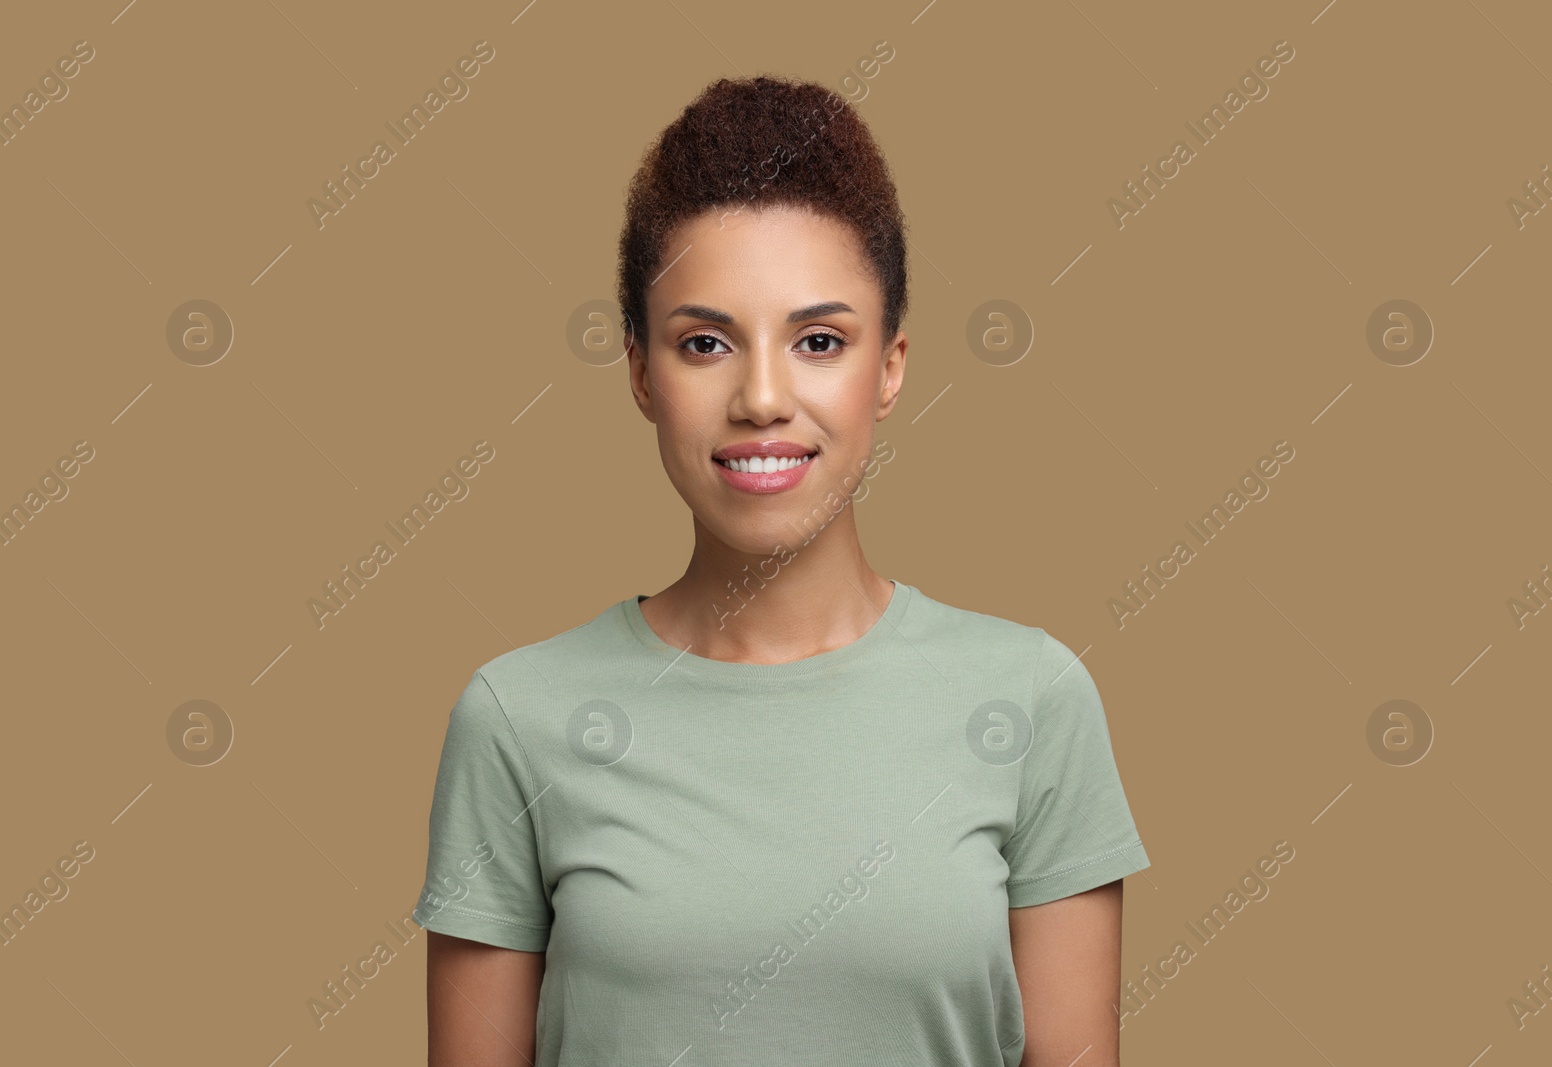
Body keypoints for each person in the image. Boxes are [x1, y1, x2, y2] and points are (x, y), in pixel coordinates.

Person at [413, 73, 1151, 1067]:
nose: (762, 397)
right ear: (640, 369)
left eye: (817, 340)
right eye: (705, 341)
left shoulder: (1031, 702)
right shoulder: (518, 718)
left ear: (888, 365)